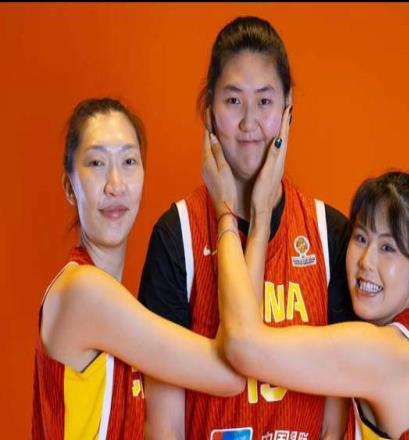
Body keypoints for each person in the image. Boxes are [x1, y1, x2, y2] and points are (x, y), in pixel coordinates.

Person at [138, 16, 353, 439]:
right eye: (233, 100)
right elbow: (164, 426)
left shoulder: (330, 235)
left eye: (265, 101)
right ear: (209, 111)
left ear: (289, 109)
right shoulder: (176, 236)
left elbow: (336, 423)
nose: (249, 123)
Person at [204, 127, 409, 439]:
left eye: (388, 248)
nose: (366, 261)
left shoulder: (385, 354)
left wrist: (230, 212)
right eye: (361, 238)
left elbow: (242, 345)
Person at [32, 98, 244, 439]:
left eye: (129, 161)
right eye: (97, 163)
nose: (115, 184)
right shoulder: (84, 291)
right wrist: (234, 214)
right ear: (70, 187)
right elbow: (230, 374)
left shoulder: (105, 297)